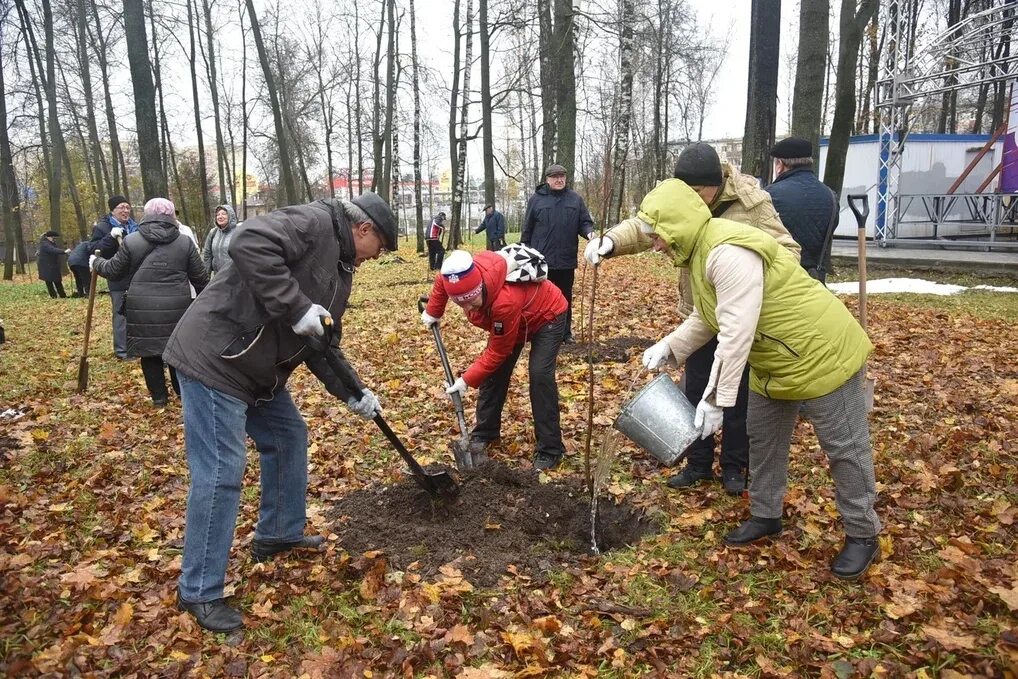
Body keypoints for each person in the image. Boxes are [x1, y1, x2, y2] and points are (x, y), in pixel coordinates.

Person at [163, 192, 397, 632]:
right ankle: (198, 590)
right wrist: (297, 307)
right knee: (220, 472)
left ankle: (278, 534)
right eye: (380, 247)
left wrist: (352, 391)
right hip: (215, 358)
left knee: (289, 436)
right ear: (364, 229)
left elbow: (319, 338)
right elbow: (247, 242)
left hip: (256, 370)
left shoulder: (341, 264)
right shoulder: (313, 223)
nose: (376, 257)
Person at [631, 177, 881, 580]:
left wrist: (714, 399)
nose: (656, 245)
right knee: (763, 439)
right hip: (775, 360)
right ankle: (766, 515)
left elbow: (735, 332)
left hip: (820, 353)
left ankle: (863, 534)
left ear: (676, 225)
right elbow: (708, 315)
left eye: (657, 236)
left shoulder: (728, 253)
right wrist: (671, 346)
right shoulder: (699, 251)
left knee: (844, 448)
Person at [584, 143, 799, 494]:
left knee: (737, 392)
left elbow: (787, 252)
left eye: (699, 192)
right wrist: (611, 243)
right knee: (695, 388)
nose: (694, 199)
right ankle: (698, 463)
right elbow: (647, 226)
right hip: (698, 313)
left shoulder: (751, 203)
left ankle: (734, 466)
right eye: (689, 193)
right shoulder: (681, 198)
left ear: (717, 182)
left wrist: (748, 275)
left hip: (743, 316)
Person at [421, 249, 568, 470]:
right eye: (461, 304)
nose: (468, 309)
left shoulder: (504, 301)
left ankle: (550, 448)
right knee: (494, 374)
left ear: (480, 286)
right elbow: (442, 282)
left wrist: (466, 381)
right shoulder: (457, 274)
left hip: (547, 315)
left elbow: (499, 351)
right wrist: (434, 311)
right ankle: (485, 432)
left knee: (539, 375)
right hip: (515, 322)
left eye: (471, 301)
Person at [91, 198, 209, 406]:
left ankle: (159, 398)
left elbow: (113, 271)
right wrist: (206, 307)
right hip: (178, 307)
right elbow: (200, 279)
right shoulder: (184, 242)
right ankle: (183, 395)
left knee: (149, 352)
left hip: (142, 307)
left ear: (146, 215)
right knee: (177, 351)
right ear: (171, 215)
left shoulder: (132, 240)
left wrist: (96, 262)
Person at [521, 164, 594, 343]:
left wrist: (590, 233)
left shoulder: (575, 199)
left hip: (566, 261)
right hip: (541, 262)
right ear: (547, 179)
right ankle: (540, 333)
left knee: (564, 298)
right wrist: (525, 253)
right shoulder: (536, 200)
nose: (559, 179)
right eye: (555, 177)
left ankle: (565, 333)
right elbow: (527, 230)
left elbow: (584, 222)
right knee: (541, 299)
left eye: (562, 176)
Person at [766, 137, 840, 283]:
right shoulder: (831, 195)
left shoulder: (769, 195)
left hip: (781, 282)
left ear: (780, 165)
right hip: (816, 282)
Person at [89, 195, 139, 359]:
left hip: (137, 276)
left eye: (127, 207)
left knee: (138, 313)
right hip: (117, 276)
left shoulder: (135, 226)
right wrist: (110, 237)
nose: (125, 211)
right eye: (121, 208)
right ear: (113, 210)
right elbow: (94, 249)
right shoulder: (103, 227)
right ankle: (122, 351)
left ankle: (137, 347)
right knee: (121, 314)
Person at [202, 204, 238, 276]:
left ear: (231, 216)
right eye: (218, 215)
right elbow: (207, 254)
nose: (220, 217)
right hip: (218, 276)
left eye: (224, 214)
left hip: (235, 277)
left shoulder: (238, 232)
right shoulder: (213, 232)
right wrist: (206, 275)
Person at [37, 231, 69, 298]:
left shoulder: (50, 243)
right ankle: (54, 296)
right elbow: (53, 250)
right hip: (47, 266)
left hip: (52, 265)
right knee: (49, 282)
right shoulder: (45, 244)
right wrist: (64, 251)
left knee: (57, 281)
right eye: (53, 238)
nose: (54, 239)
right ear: (49, 237)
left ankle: (62, 295)